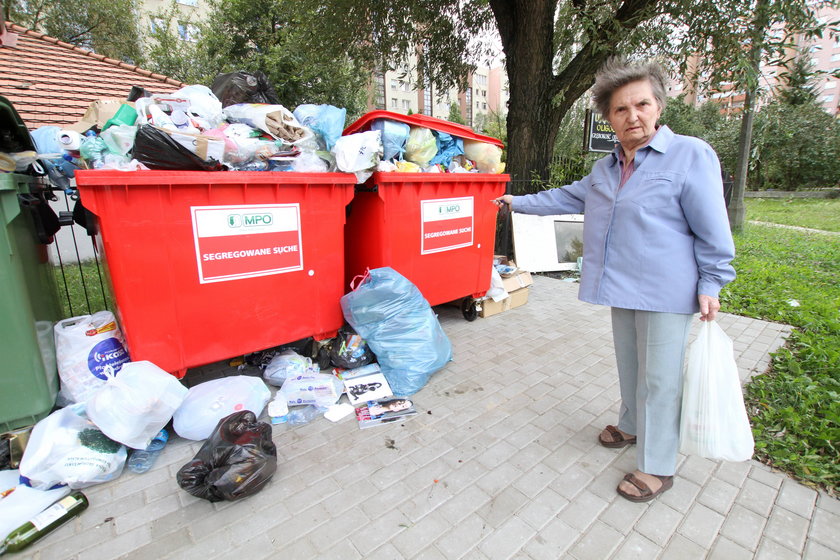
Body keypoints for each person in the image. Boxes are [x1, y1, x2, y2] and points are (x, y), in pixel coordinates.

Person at [494, 58, 735, 502]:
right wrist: (517, 202)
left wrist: (712, 282)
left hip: (667, 289)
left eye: (642, 104)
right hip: (622, 284)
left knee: (661, 379)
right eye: (621, 110)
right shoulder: (605, 169)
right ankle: (631, 425)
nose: (633, 116)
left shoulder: (690, 155)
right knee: (630, 365)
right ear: (609, 119)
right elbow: (566, 196)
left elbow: (712, 227)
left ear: (658, 106)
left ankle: (659, 466)